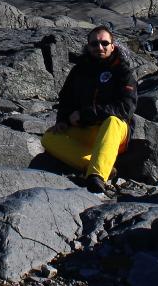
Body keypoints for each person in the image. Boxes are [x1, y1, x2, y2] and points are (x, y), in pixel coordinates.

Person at [42, 26, 137, 193]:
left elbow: (126, 107)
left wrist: (86, 114)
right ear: (88, 46)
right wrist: (63, 120)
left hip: (115, 133)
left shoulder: (123, 71)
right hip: (87, 131)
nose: (99, 47)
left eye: (104, 43)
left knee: (113, 121)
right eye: (94, 43)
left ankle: (97, 175)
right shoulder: (80, 70)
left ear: (112, 46)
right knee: (49, 137)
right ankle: (101, 166)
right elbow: (66, 99)